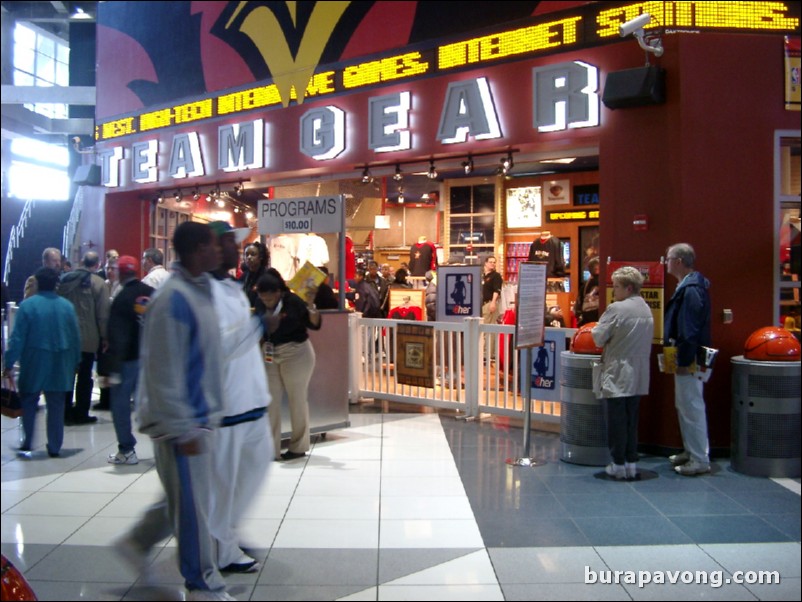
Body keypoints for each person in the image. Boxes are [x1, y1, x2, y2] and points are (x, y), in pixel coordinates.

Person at [113, 222, 233, 601]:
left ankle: (136, 542)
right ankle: (202, 584)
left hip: (200, 418)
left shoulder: (199, 292)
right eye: (214, 245)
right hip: (183, 424)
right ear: (198, 250)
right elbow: (163, 368)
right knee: (194, 510)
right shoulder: (174, 299)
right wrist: (183, 428)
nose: (219, 251)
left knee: (183, 500)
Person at [207, 222, 273, 574]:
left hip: (250, 402)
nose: (239, 250)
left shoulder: (232, 287)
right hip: (228, 405)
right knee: (225, 481)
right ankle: (221, 547)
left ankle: (225, 536)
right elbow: (221, 343)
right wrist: (260, 325)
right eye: (232, 244)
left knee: (255, 467)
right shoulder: (205, 292)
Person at [3, 267, 81, 458]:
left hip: (33, 359)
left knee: (29, 401)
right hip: (59, 359)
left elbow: (18, 338)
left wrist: (8, 362)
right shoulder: (66, 306)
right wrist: (75, 361)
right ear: (56, 283)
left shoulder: (28, 306)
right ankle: (54, 446)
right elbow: (75, 337)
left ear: (37, 282)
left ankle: (28, 441)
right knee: (56, 403)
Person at [591, 266, 654, 480]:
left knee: (616, 419)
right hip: (639, 373)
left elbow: (598, 337)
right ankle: (631, 462)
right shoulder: (645, 309)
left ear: (628, 288)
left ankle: (618, 464)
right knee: (631, 420)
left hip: (617, 371)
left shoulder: (616, 309)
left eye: (616, 286)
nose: (613, 291)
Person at [257, 271, 321, 461]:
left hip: (296, 353)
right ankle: (270, 449)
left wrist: (311, 305)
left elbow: (315, 324)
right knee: (270, 401)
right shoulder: (259, 303)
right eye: (262, 297)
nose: (266, 301)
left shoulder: (293, 301)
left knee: (297, 400)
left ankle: (298, 446)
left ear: (278, 292)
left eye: (269, 297)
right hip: (270, 353)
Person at [664, 243, 713, 476]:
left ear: (679, 261)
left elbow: (689, 329)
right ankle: (691, 451)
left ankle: (699, 458)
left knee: (691, 406)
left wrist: (683, 360)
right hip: (687, 355)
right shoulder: (690, 285)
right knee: (684, 404)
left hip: (689, 358)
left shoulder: (691, 289)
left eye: (668, 258)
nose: (666, 262)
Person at [106, 256, 154, 465]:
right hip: (150, 358)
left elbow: (117, 335)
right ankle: (163, 445)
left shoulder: (121, 297)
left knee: (121, 404)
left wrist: (112, 368)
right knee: (150, 404)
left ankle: (126, 449)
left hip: (127, 361)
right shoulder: (151, 293)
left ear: (120, 272)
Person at [59, 251, 110, 425]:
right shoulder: (99, 283)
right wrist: (105, 337)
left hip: (66, 336)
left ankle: (65, 412)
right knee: (85, 376)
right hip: (88, 337)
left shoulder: (65, 280)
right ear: (97, 264)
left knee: (66, 375)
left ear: (81, 261)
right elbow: (102, 314)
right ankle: (81, 412)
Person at [240, 241, 268, 309]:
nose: (249, 257)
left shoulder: (267, 276)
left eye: (253, 254)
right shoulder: (244, 276)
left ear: (260, 257)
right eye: (246, 254)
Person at [575, 256, 600, 326]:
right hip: (599, 323)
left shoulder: (584, 287)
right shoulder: (604, 284)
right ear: (597, 269)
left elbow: (577, 309)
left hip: (585, 324)